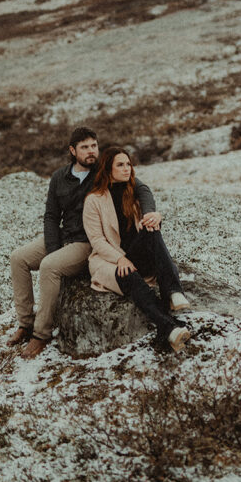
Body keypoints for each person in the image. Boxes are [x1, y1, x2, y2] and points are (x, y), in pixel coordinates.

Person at [8, 126, 162, 359]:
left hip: (88, 240)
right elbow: (51, 216)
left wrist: (149, 211)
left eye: (94, 146)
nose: (91, 152)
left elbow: (140, 187)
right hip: (63, 235)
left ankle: (41, 334)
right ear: (72, 151)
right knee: (18, 258)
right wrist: (53, 248)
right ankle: (25, 324)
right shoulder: (60, 177)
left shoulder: (103, 170)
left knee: (49, 266)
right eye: (85, 148)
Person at [83, 146, 191, 352]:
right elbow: (97, 240)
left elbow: (147, 200)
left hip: (137, 253)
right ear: (108, 169)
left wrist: (155, 216)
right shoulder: (93, 200)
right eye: (120, 165)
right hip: (109, 258)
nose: (127, 169)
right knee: (127, 274)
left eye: (129, 164)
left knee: (151, 227)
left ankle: (174, 291)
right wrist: (120, 259)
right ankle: (168, 327)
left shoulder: (133, 191)